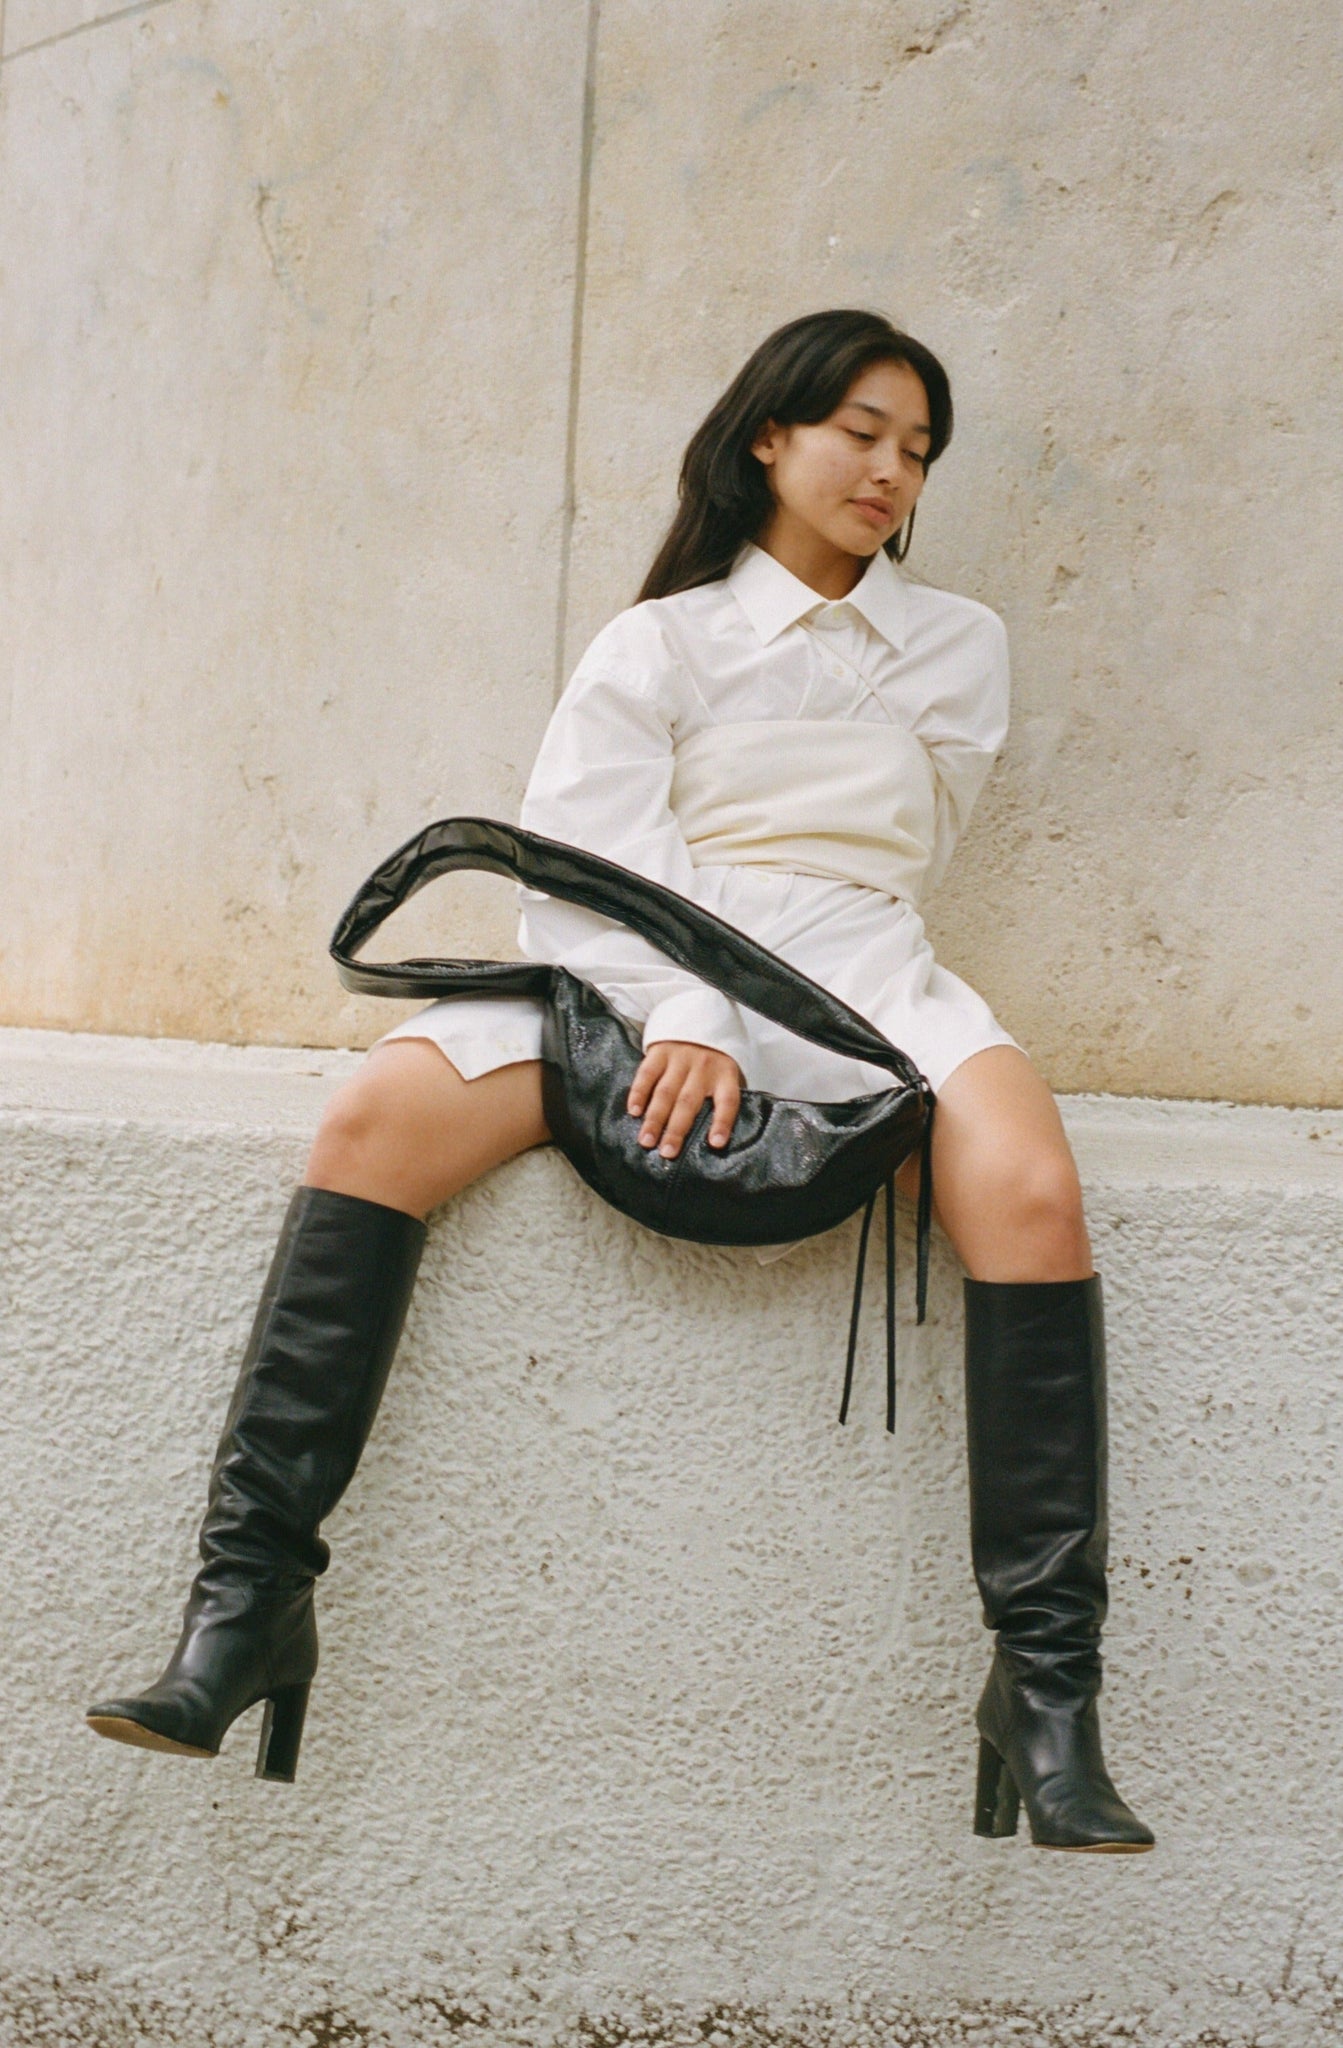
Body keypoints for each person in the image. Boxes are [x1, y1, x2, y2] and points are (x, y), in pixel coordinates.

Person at [87, 309, 1153, 1852]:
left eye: (918, 451)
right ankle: (243, 1612)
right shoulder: (659, 642)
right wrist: (686, 1008)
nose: (891, 470)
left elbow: (899, 852)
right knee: (378, 1111)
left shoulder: (957, 643)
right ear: (768, 437)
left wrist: (765, 993)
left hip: (862, 970)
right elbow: (581, 871)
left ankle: (1047, 1695)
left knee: (1033, 1189)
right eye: (861, 431)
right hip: (642, 969)